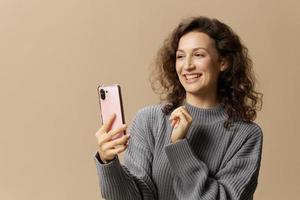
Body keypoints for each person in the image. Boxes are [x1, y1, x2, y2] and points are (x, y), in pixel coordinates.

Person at [94, 16, 263, 200]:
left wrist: (179, 146)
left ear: (223, 62)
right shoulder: (150, 120)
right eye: (180, 56)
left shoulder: (246, 135)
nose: (187, 66)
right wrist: (108, 162)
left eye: (198, 55)